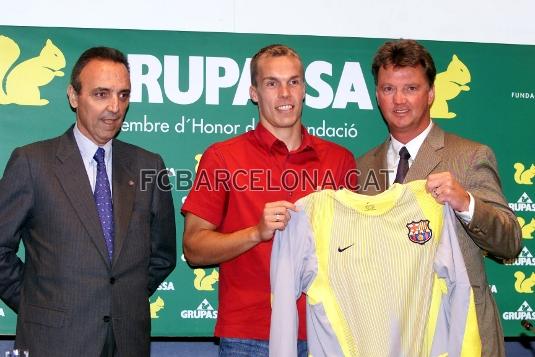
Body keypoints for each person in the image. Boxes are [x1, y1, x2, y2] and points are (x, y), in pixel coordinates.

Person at [0, 47, 177, 357]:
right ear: (73, 96)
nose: (114, 107)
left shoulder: (150, 165)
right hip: (53, 341)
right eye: (101, 94)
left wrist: (118, 299)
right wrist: (39, 302)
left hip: (127, 341)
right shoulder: (31, 162)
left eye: (123, 95)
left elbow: (162, 256)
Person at [182, 44, 357, 356]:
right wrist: (255, 233)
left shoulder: (339, 160)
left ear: (304, 89)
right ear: (254, 93)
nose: (285, 94)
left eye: (293, 82)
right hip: (250, 333)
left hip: (324, 329)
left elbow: (355, 250)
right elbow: (194, 248)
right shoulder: (222, 157)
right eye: (272, 83)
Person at [357, 39, 521, 356]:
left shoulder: (470, 156)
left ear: (431, 93)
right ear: (377, 95)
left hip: (458, 331)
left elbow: (511, 241)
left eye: (411, 88)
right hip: (388, 335)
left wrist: (467, 204)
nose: (399, 100)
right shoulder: (362, 167)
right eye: (388, 89)